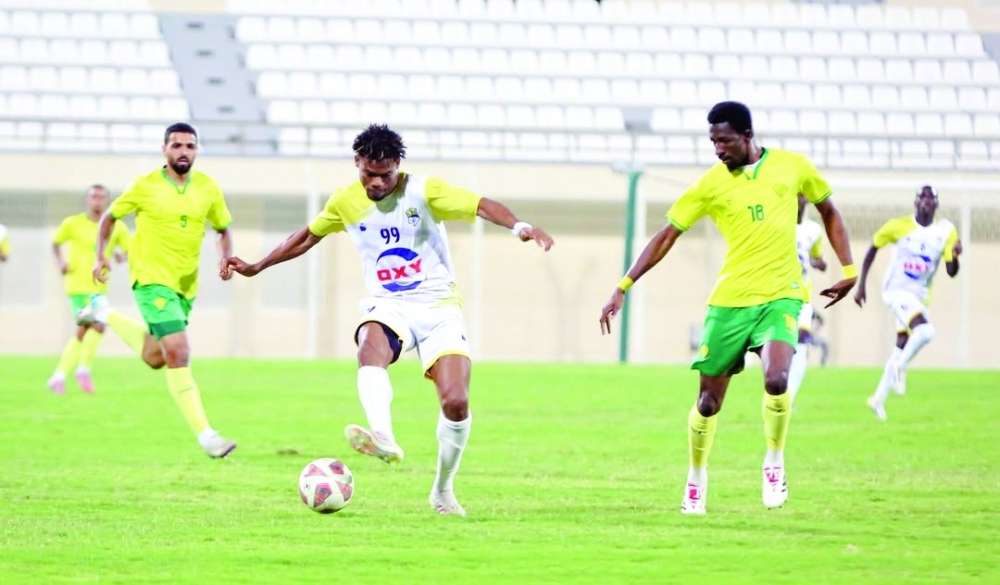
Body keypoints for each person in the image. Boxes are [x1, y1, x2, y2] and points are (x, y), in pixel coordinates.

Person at [223, 124, 554, 516]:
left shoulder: (425, 191)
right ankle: (382, 435)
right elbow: (307, 236)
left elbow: (481, 204)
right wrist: (257, 266)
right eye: (369, 174)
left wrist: (519, 226)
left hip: (438, 306)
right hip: (389, 304)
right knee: (369, 344)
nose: (377, 182)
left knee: (456, 402)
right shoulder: (345, 200)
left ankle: (443, 490)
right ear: (357, 164)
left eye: (386, 174)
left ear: (398, 165)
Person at [599, 101, 857, 515]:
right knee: (708, 404)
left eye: (724, 141)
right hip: (730, 302)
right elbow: (666, 236)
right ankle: (696, 477)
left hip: (782, 294)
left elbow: (829, 210)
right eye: (713, 142)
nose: (718, 149)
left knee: (777, 379)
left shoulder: (792, 167)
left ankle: (774, 461)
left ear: (747, 136)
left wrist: (849, 268)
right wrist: (623, 285)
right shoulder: (710, 185)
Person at [78, 122, 238, 458]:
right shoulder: (144, 185)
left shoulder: (208, 188)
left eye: (190, 145)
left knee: (156, 358)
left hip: (185, 286)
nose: (183, 151)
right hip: (151, 280)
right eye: (176, 145)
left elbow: (223, 228)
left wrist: (225, 256)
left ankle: (102, 311)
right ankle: (207, 436)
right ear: (164, 149)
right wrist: (100, 256)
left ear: (196, 150)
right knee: (179, 351)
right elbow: (109, 218)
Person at [854, 186, 961, 421]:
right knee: (925, 331)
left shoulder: (945, 232)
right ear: (915, 202)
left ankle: (877, 399)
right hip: (896, 292)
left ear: (937, 204)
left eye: (931, 198)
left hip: (919, 299)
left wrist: (955, 256)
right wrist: (861, 285)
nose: (926, 201)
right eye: (922, 197)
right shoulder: (899, 226)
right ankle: (900, 368)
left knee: (902, 345)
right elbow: (873, 247)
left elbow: (951, 271)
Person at [47, 185, 131, 395]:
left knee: (85, 329)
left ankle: (59, 376)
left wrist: (122, 256)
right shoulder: (72, 223)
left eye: (101, 197)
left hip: (99, 287)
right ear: (87, 200)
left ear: (107, 201)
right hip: (77, 285)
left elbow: (129, 250)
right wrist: (61, 263)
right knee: (97, 325)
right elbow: (55, 243)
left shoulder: (116, 226)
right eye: (93, 196)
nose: (97, 200)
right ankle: (82, 369)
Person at [787, 194, 828, 406]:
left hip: (802, 295)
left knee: (802, 340)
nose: (798, 197)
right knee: (781, 345)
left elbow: (814, 256)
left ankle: (788, 399)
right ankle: (779, 391)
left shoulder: (814, 230)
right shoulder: (776, 223)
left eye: (802, 193)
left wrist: (819, 263)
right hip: (777, 295)